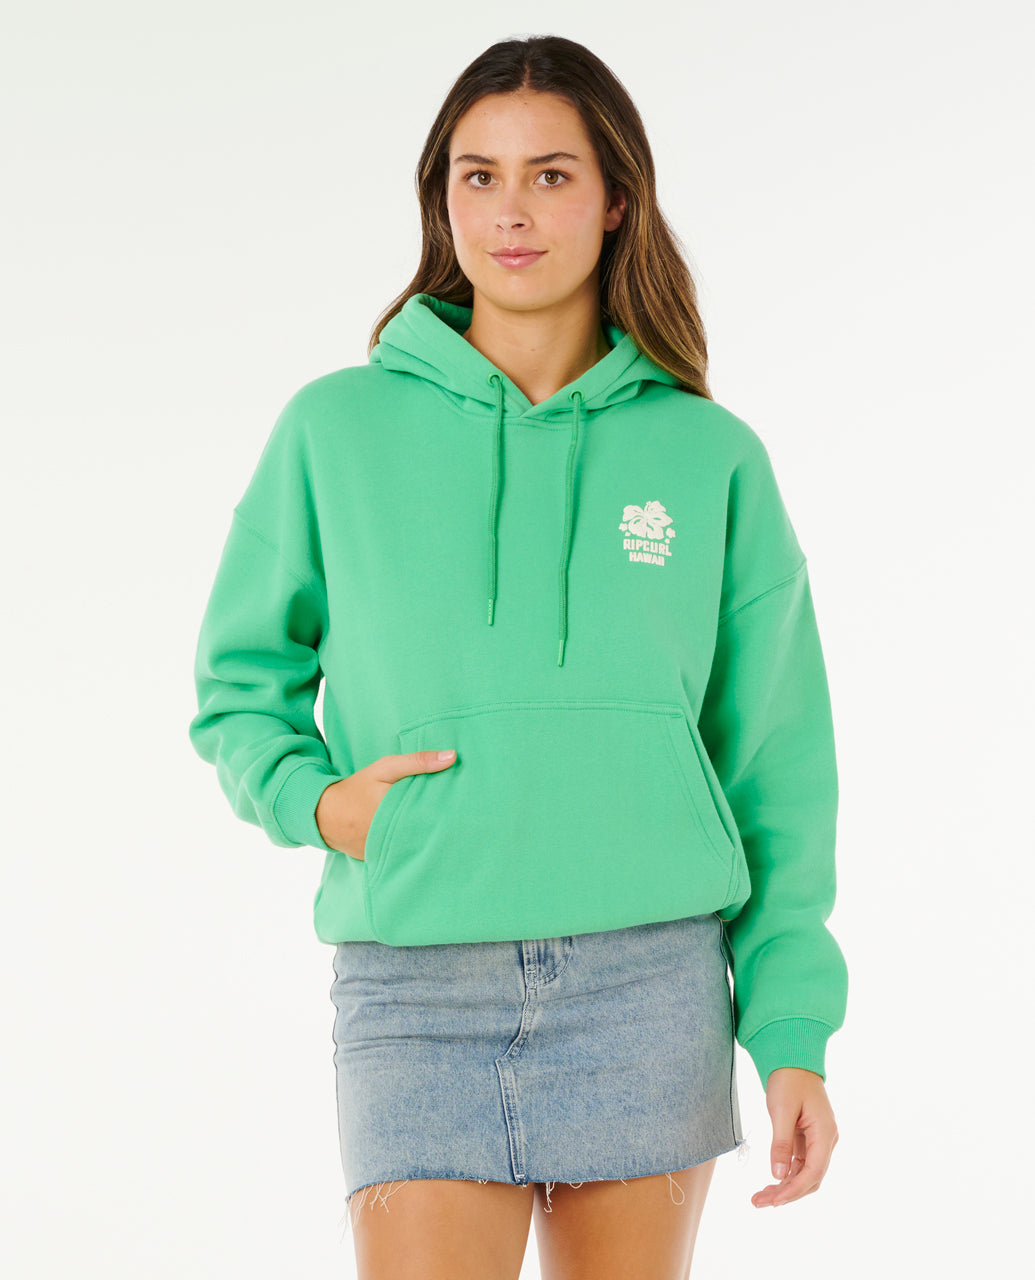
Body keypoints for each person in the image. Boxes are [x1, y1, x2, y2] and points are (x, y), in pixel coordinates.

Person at [188, 33, 847, 1280]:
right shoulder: (335, 429)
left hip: (648, 983)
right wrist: (318, 803)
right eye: (477, 176)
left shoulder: (709, 455)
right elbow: (238, 686)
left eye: (551, 174)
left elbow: (776, 765)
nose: (510, 211)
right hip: (416, 986)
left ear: (616, 200)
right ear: (441, 200)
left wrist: (793, 1025)